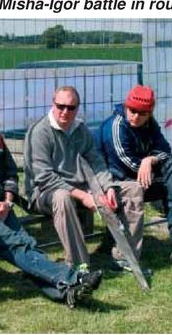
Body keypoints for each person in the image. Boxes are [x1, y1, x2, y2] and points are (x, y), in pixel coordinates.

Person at [0, 83, 102, 307]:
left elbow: (10, 172)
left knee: (26, 245)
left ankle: (65, 293)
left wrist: (7, 200)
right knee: (15, 244)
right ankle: (74, 278)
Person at [23, 85, 145, 273]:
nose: (65, 112)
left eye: (71, 108)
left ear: (77, 108)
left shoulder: (80, 129)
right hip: (45, 193)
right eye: (61, 106)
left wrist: (108, 187)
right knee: (62, 197)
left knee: (133, 189)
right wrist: (83, 195)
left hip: (82, 187)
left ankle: (125, 257)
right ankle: (79, 264)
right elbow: (44, 176)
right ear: (53, 104)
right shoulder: (39, 132)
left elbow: (96, 162)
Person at [98, 85, 172, 265]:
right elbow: (126, 163)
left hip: (141, 178)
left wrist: (149, 160)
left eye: (142, 113)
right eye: (132, 110)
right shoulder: (115, 126)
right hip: (117, 183)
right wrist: (147, 164)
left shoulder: (149, 123)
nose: (136, 116)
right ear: (126, 107)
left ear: (149, 113)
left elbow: (164, 149)